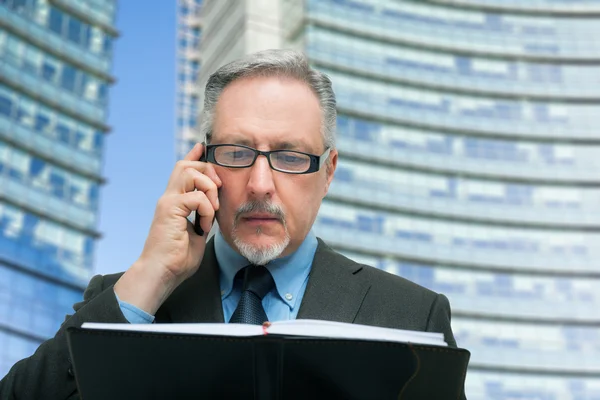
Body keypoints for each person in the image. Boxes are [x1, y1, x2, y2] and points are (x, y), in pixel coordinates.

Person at [0, 49, 461, 399]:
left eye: (289, 156)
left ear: (328, 172)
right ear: (202, 160)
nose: (260, 184)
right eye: (237, 153)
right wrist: (151, 276)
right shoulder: (124, 299)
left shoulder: (413, 316)